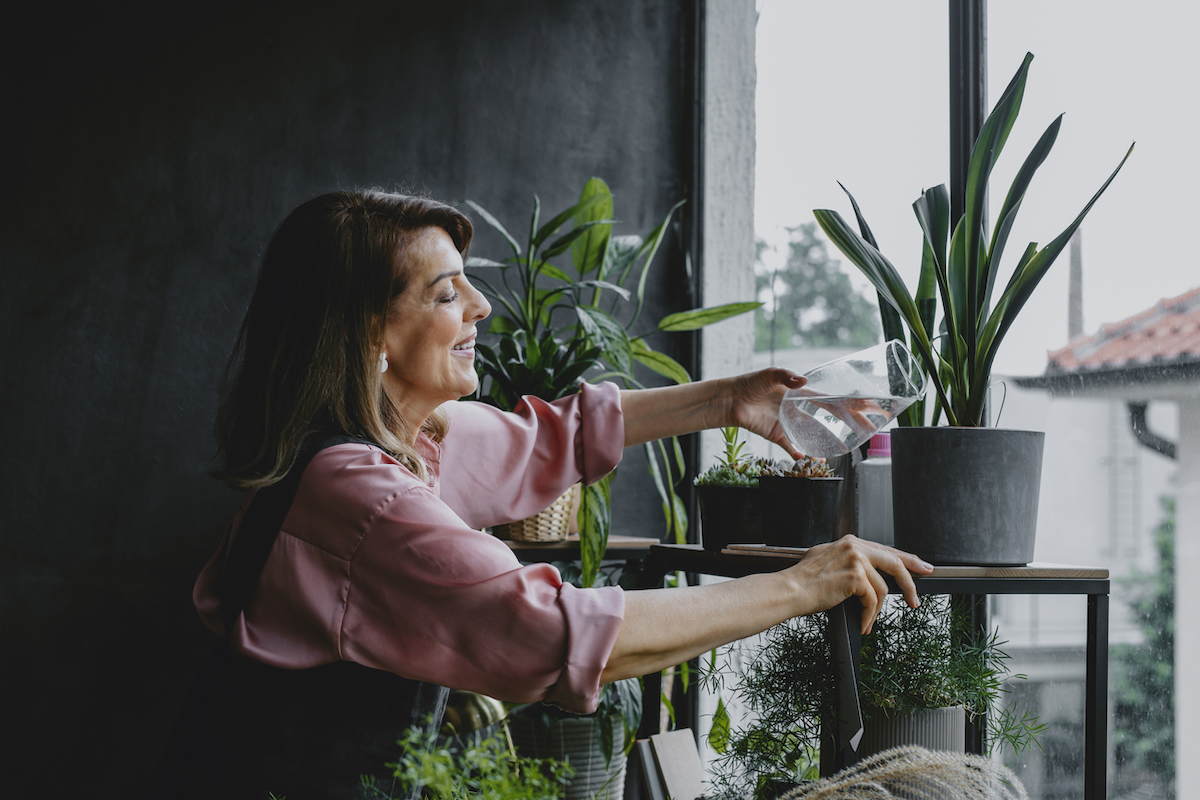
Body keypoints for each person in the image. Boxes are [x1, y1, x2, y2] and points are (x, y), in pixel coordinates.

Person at [156, 190, 931, 799]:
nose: (481, 309)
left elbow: (546, 438)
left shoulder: (397, 444)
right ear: (371, 335)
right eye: (445, 294)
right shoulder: (361, 497)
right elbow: (567, 634)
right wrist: (803, 582)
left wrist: (730, 399)